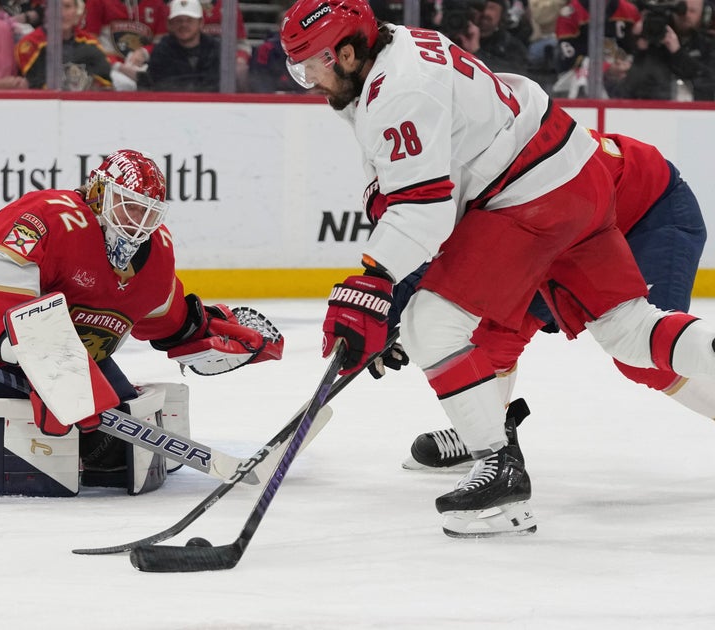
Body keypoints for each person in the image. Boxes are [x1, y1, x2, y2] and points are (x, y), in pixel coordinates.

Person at [280, 0, 715, 538]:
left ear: (346, 53)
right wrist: (393, 286)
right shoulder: (397, 53)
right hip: (570, 175)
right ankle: (486, 436)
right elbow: (424, 198)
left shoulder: (399, 91)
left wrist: (376, 283)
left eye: (310, 67)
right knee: (627, 328)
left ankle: (498, 467)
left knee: (431, 325)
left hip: (535, 193)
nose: (308, 81)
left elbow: (426, 208)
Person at [0, 149, 282, 490]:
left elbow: (167, 316)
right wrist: (45, 367)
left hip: (72, 358)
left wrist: (205, 333)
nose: (139, 222)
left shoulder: (157, 254)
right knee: (12, 443)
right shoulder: (48, 215)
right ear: (99, 193)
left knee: (115, 451)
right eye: (129, 207)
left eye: (149, 211)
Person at [371, 131, 709, 469]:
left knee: (642, 354)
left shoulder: (477, 168)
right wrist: (388, 307)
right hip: (560, 227)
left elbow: (448, 256)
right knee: (492, 334)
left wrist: (391, 308)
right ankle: (485, 437)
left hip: (645, 213)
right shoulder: (449, 164)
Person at [622, 0, 715, 100]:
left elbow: (708, 80)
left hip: (693, 110)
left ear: (703, 14)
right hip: (652, 106)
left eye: (692, 11)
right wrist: (637, 44)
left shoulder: (707, 44)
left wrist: (677, 52)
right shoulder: (653, 37)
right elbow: (629, 85)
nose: (686, 14)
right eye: (681, 9)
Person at [15, 0, 113, 89]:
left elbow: (105, 81)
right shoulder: (30, 44)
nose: (61, 14)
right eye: (56, 7)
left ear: (76, 11)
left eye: (67, 6)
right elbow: (38, 85)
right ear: (46, 11)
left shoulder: (89, 42)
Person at [553, 0, 640, 97]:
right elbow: (568, 58)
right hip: (580, 72)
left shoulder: (630, 11)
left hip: (621, 70)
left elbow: (635, 49)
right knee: (584, 79)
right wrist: (605, 67)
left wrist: (628, 65)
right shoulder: (570, 13)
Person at [82, 0, 170, 90]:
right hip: (108, 67)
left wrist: (144, 51)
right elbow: (88, 44)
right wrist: (116, 65)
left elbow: (163, 44)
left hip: (144, 68)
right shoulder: (98, 2)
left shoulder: (158, 5)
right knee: (124, 84)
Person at [141, 0, 220, 91]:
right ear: (170, 24)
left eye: (189, 20)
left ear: (201, 23)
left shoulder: (215, 49)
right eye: (178, 21)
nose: (184, 25)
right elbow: (160, 86)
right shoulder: (161, 51)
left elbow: (217, 86)